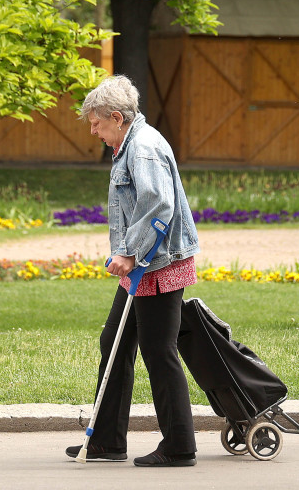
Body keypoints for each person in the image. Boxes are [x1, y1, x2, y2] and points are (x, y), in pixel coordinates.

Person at [65, 75, 200, 467]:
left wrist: (128, 252)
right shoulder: (129, 145)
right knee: (116, 342)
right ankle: (107, 441)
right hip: (143, 263)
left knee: (159, 351)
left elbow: (159, 206)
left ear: (116, 116)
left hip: (157, 263)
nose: (93, 131)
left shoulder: (143, 149)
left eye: (96, 123)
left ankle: (179, 446)